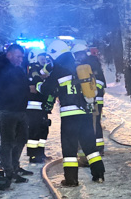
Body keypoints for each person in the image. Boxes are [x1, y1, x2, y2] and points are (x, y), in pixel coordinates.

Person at [38, 40, 105, 186]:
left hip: (70, 116)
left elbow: (47, 89)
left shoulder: (59, 69)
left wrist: (38, 85)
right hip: (85, 113)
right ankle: (99, 174)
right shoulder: (79, 66)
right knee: (90, 146)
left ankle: (71, 179)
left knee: (69, 148)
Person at [0, 44, 32, 185]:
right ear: (9, 55)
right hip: (5, 110)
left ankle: (15, 166)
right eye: (18, 56)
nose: (21, 59)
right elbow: (0, 87)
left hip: (19, 110)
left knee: (21, 139)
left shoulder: (17, 69)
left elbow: (22, 85)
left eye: (22, 57)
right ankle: (9, 172)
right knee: (8, 141)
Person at [25, 50, 52, 163]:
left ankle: (41, 153)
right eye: (41, 57)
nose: (43, 59)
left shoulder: (42, 70)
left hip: (42, 107)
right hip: (33, 108)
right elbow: (35, 87)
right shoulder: (32, 70)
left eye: (44, 57)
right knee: (34, 132)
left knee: (43, 131)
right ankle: (33, 156)